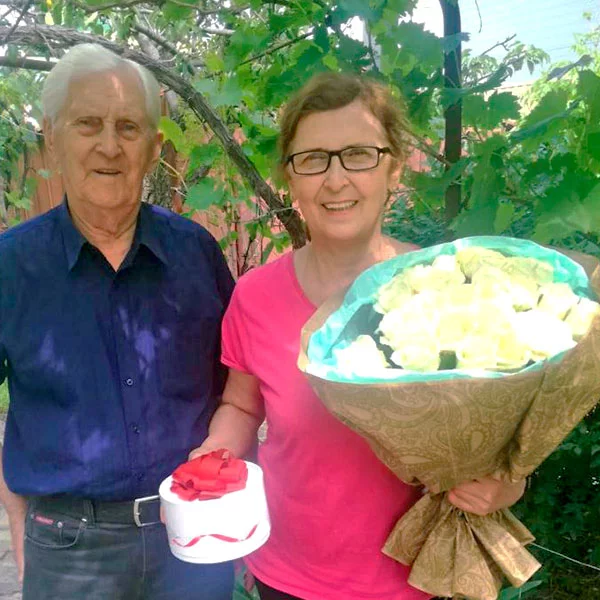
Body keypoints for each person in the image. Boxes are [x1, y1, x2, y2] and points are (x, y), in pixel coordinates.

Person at [191, 72, 526, 600]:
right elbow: (240, 405)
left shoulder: (447, 287)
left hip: (414, 578)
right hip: (286, 574)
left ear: (394, 167)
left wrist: (508, 483)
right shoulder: (255, 296)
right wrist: (217, 453)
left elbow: (501, 425)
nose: (336, 178)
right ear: (290, 176)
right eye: (313, 159)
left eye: (358, 155)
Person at [0, 43, 235, 599]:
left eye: (128, 127)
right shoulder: (11, 267)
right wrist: (17, 519)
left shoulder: (196, 254)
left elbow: (239, 391)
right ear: (52, 136)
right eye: (88, 123)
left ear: (152, 148)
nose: (109, 145)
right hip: (70, 549)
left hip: (192, 537)